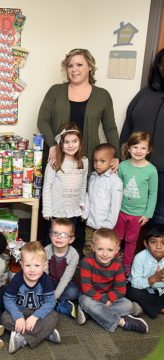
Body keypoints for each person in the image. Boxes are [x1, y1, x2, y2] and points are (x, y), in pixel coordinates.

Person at [37, 48, 119, 170]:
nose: (74, 69)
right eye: (70, 66)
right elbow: (42, 121)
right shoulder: (55, 91)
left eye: (79, 65)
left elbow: (110, 128)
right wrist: (53, 145)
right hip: (58, 156)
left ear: (90, 67)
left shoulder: (103, 95)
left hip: (88, 157)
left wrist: (115, 156)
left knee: (84, 189)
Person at [120, 49, 164, 226]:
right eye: (162, 64)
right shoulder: (144, 94)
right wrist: (120, 156)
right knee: (126, 214)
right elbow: (127, 127)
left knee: (159, 217)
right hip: (134, 167)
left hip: (161, 172)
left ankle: (155, 254)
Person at [77, 228, 148, 333]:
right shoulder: (86, 262)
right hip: (90, 296)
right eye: (100, 249)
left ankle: (90, 314)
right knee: (85, 301)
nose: (105, 254)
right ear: (93, 247)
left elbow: (121, 289)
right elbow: (86, 288)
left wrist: (109, 298)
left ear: (116, 251)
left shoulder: (117, 264)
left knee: (128, 305)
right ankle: (123, 322)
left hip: (109, 297)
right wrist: (103, 300)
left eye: (110, 250)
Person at [1, 241, 60, 354]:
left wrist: (35, 316)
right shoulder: (17, 279)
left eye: (37, 265)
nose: (32, 270)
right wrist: (18, 316)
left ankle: (22, 339)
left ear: (45, 265)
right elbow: (8, 299)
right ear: (22, 265)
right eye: (28, 265)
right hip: (20, 310)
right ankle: (46, 333)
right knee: (4, 318)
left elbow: (50, 302)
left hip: (39, 312)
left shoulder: (45, 280)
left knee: (54, 316)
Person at [114, 132, 158, 276]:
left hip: (138, 215)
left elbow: (153, 194)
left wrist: (148, 214)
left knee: (131, 241)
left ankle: (127, 264)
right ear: (129, 148)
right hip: (120, 211)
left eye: (143, 148)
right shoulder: (123, 166)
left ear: (149, 150)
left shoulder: (151, 170)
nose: (139, 151)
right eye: (135, 147)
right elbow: (116, 188)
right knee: (117, 237)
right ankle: (113, 260)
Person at [42, 123, 88, 246]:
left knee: (67, 239)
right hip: (56, 210)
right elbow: (47, 186)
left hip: (73, 211)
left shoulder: (84, 161)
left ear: (80, 142)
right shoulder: (54, 161)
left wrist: (82, 204)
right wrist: (47, 209)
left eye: (74, 141)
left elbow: (83, 185)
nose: (71, 145)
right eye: (66, 142)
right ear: (60, 143)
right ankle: (47, 263)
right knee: (52, 240)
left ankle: (66, 263)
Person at [82, 143, 123, 256]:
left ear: (112, 162)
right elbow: (88, 197)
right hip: (90, 223)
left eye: (102, 161)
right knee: (88, 247)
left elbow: (115, 206)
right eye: (95, 161)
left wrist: (108, 226)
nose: (97, 164)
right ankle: (87, 269)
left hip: (104, 226)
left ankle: (100, 271)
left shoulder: (115, 181)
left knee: (102, 250)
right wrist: (85, 214)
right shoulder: (93, 177)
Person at [45, 218, 79, 318]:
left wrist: (54, 297)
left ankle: (53, 302)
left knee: (74, 292)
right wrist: (46, 290)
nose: (59, 237)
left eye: (64, 235)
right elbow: (44, 274)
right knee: (37, 287)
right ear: (50, 235)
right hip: (49, 281)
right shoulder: (46, 250)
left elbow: (66, 278)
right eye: (55, 233)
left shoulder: (74, 255)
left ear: (71, 239)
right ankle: (58, 304)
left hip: (66, 283)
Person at [127, 225, 164, 318]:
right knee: (131, 292)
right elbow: (135, 283)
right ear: (146, 244)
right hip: (144, 291)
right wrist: (153, 278)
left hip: (161, 292)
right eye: (153, 242)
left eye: (163, 243)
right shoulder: (140, 258)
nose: (158, 246)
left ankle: (150, 306)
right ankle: (160, 308)